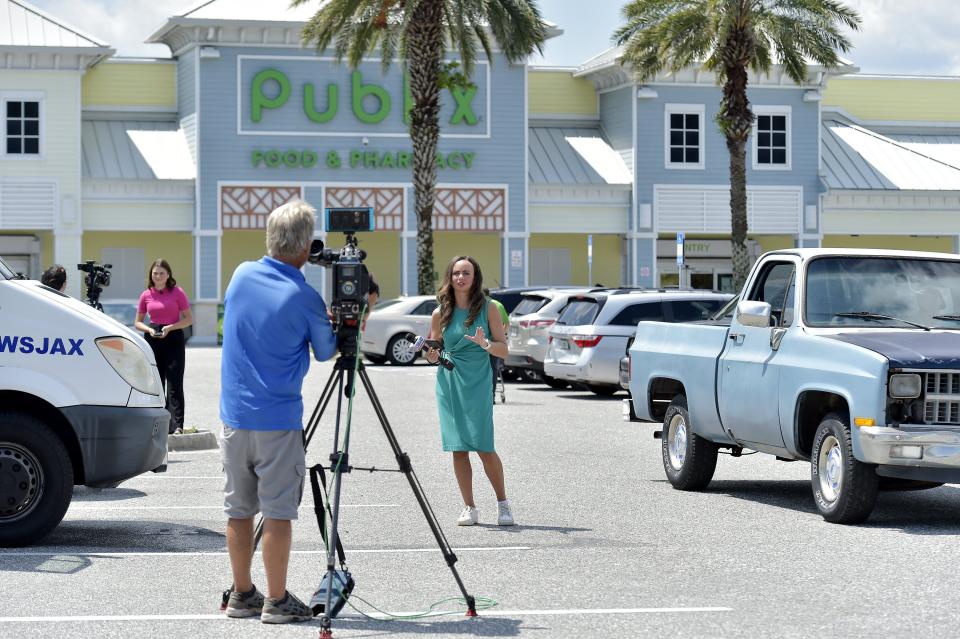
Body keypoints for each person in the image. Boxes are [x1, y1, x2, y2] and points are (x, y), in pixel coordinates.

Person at [219, 199, 337, 624]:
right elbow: (327, 352)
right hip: (278, 421)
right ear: (306, 246)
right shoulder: (304, 295)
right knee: (279, 512)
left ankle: (242, 594)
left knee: (238, 508)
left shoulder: (240, 274)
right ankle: (277, 600)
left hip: (234, 418)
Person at [424, 256, 515, 527]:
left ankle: (503, 504)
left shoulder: (488, 309)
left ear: (475, 278)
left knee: (484, 444)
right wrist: (430, 354)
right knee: (458, 447)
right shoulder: (440, 313)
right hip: (448, 380)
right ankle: (469, 507)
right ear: (449, 278)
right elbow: (434, 352)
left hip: (477, 380)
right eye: (456, 273)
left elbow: (503, 349)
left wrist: (484, 342)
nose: (461, 277)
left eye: (466, 273)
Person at [134, 259, 192, 435]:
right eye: (155, 273)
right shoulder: (146, 295)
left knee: (174, 382)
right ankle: (159, 424)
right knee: (156, 383)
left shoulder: (177, 292)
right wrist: (150, 330)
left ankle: (177, 425)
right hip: (153, 337)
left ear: (168, 275)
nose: (158, 276)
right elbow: (137, 323)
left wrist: (171, 328)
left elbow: (189, 319)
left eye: (161, 273)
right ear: (151, 275)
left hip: (173, 336)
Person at [483, 287, 509, 398]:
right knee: (493, 368)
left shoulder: (485, 305)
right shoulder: (498, 304)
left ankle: (487, 395)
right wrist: (500, 335)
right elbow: (506, 324)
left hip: (483, 341)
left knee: (486, 369)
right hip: (494, 343)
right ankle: (491, 395)